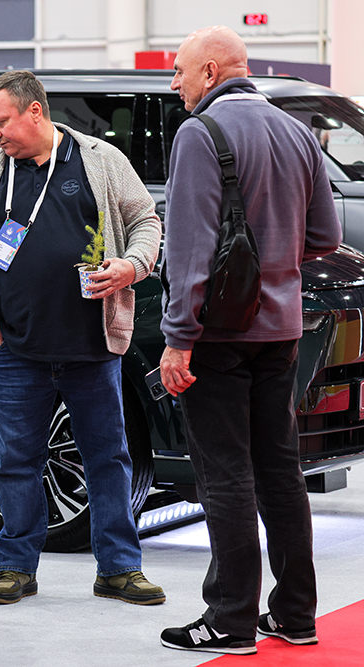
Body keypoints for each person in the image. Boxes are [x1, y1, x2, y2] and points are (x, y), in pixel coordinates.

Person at [158, 26, 342, 655]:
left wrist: (179, 337)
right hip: (282, 329)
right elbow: (325, 235)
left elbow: (189, 249)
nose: (175, 83)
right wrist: (275, 262)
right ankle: (294, 614)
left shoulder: (200, 133)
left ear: (211, 72)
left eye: (180, 70)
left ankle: (230, 619)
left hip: (219, 333)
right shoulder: (296, 131)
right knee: (280, 471)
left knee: (226, 473)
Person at [0, 70, 163, 606]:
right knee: (14, 461)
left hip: (91, 348)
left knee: (108, 459)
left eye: (1, 122)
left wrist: (132, 266)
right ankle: (15, 568)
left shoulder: (100, 160)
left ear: (35, 112)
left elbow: (146, 221)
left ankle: (119, 568)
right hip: (15, 350)